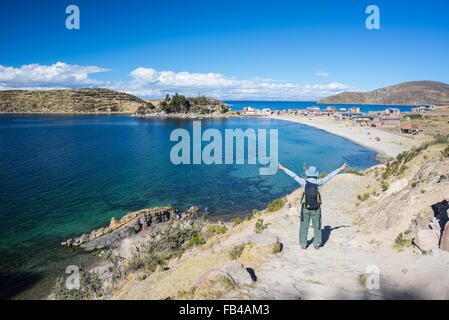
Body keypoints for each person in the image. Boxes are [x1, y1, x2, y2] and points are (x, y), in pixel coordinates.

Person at [278, 162, 347, 250]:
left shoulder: (303, 182)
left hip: (305, 207)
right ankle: (317, 245)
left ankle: (303, 244)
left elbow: (294, 175)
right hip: (316, 208)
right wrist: (340, 169)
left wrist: (283, 168)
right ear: (315, 175)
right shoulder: (320, 182)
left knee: (304, 226)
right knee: (317, 226)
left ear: (308, 174)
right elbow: (329, 176)